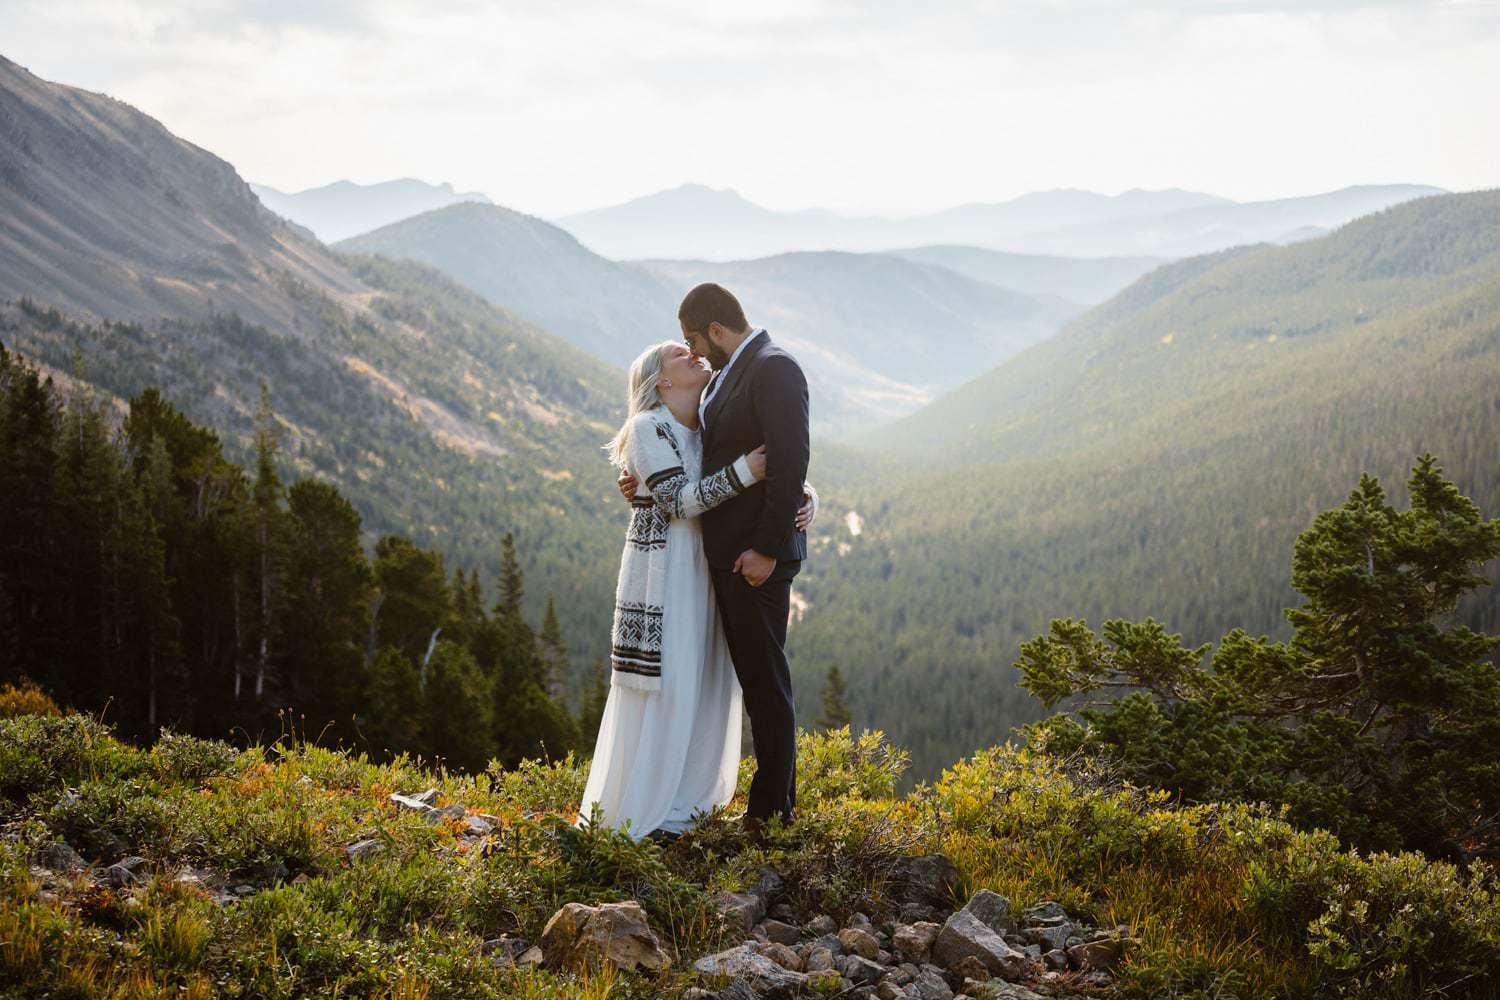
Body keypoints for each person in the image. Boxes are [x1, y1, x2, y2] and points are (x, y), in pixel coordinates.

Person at [578, 338, 816, 841]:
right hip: (663, 571)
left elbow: (779, 451)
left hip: (705, 569)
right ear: (660, 381)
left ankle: (687, 801)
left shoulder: (704, 425)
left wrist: (806, 494)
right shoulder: (646, 428)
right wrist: (747, 470)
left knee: (704, 680)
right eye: (677, 354)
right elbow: (677, 501)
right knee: (667, 681)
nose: (692, 353)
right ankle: (648, 805)